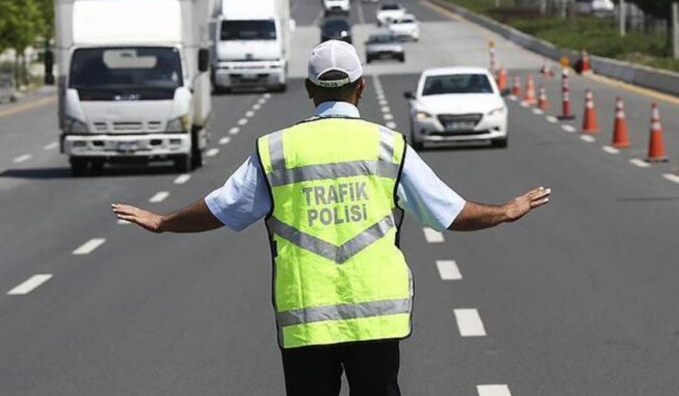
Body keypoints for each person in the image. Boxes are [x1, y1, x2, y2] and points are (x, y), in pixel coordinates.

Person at [112, 40, 551, 396]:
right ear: (360, 88)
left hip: (306, 318)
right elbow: (449, 212)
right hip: (376, 318)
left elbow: (221, 208)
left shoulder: (277, 150)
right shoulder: (387, 146)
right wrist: (505, 211)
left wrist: (163, 220)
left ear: (309, 89)